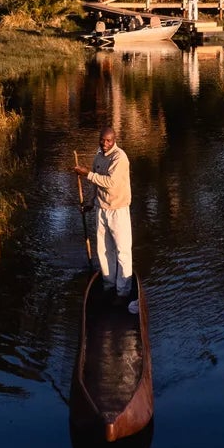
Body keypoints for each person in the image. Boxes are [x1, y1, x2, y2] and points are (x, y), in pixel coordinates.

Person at [73, 126, 136, 311]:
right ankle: (109, 285)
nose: (105, 144)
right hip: (102, 209)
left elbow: (109, 183)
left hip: (119, 209)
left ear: (114, 140)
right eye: (102, 140)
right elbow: (96, 184)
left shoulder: (120, 158)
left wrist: (86, 174)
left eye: (108, 140)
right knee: (104, 249)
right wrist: (91, 202)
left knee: (122, 252)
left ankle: (123, 292)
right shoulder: (98, 155)